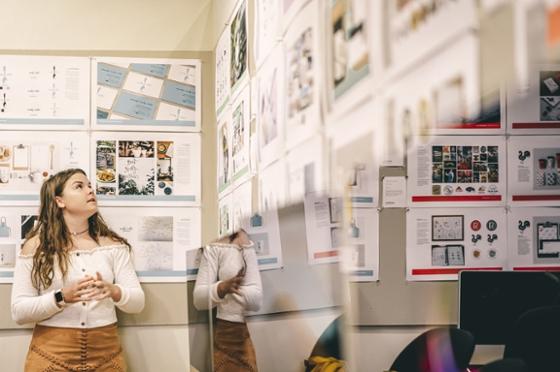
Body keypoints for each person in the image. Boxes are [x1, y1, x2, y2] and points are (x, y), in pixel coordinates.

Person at [11, 168, 145, 371]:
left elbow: (138, 303)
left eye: (90, 185)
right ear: (59, 201)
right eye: (79, 186)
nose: (90, 191)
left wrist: (114, 291)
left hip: (106, 355)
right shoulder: (35, 246)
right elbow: (19, 311)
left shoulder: (113, 245)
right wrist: (61, 297)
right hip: (50, 355)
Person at [193, 229, 263, 372]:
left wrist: (229, 289)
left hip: (243, 336)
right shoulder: (214, 246)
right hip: (223, 335)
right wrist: (222, 288)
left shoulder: (246, 243)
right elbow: (198, 299)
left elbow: (256, 301)